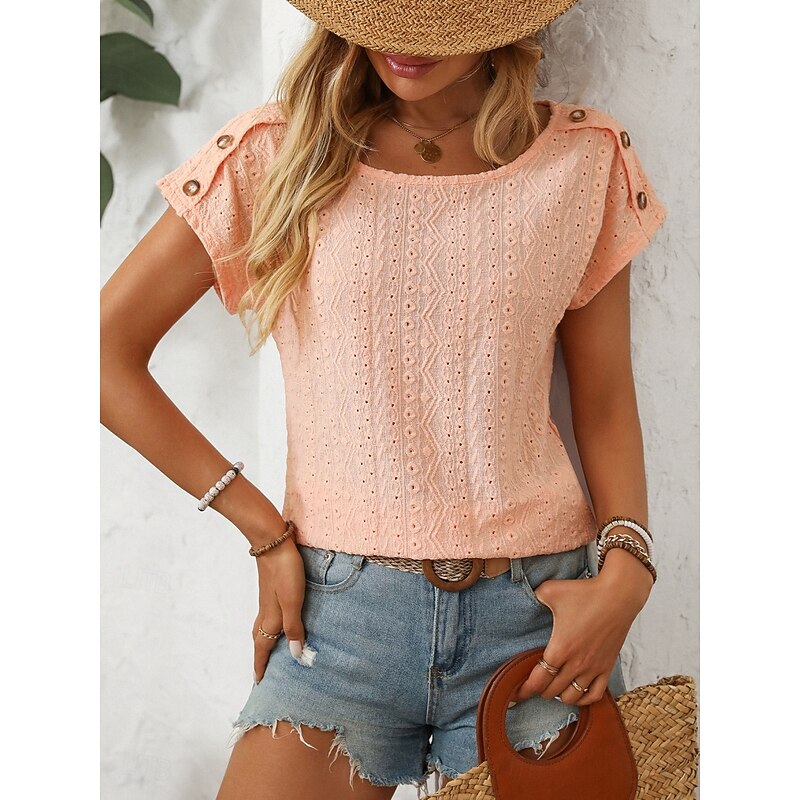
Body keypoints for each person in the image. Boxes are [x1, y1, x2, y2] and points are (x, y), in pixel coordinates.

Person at [100, 1, 667, 798]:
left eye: (434, 21)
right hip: (336, 621)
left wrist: (628, 571)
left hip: (535, 626)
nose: (402, 44)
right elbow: (101, 354)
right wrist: (261, 530)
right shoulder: (276, 153)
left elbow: (603, 400)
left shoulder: (583, 159)